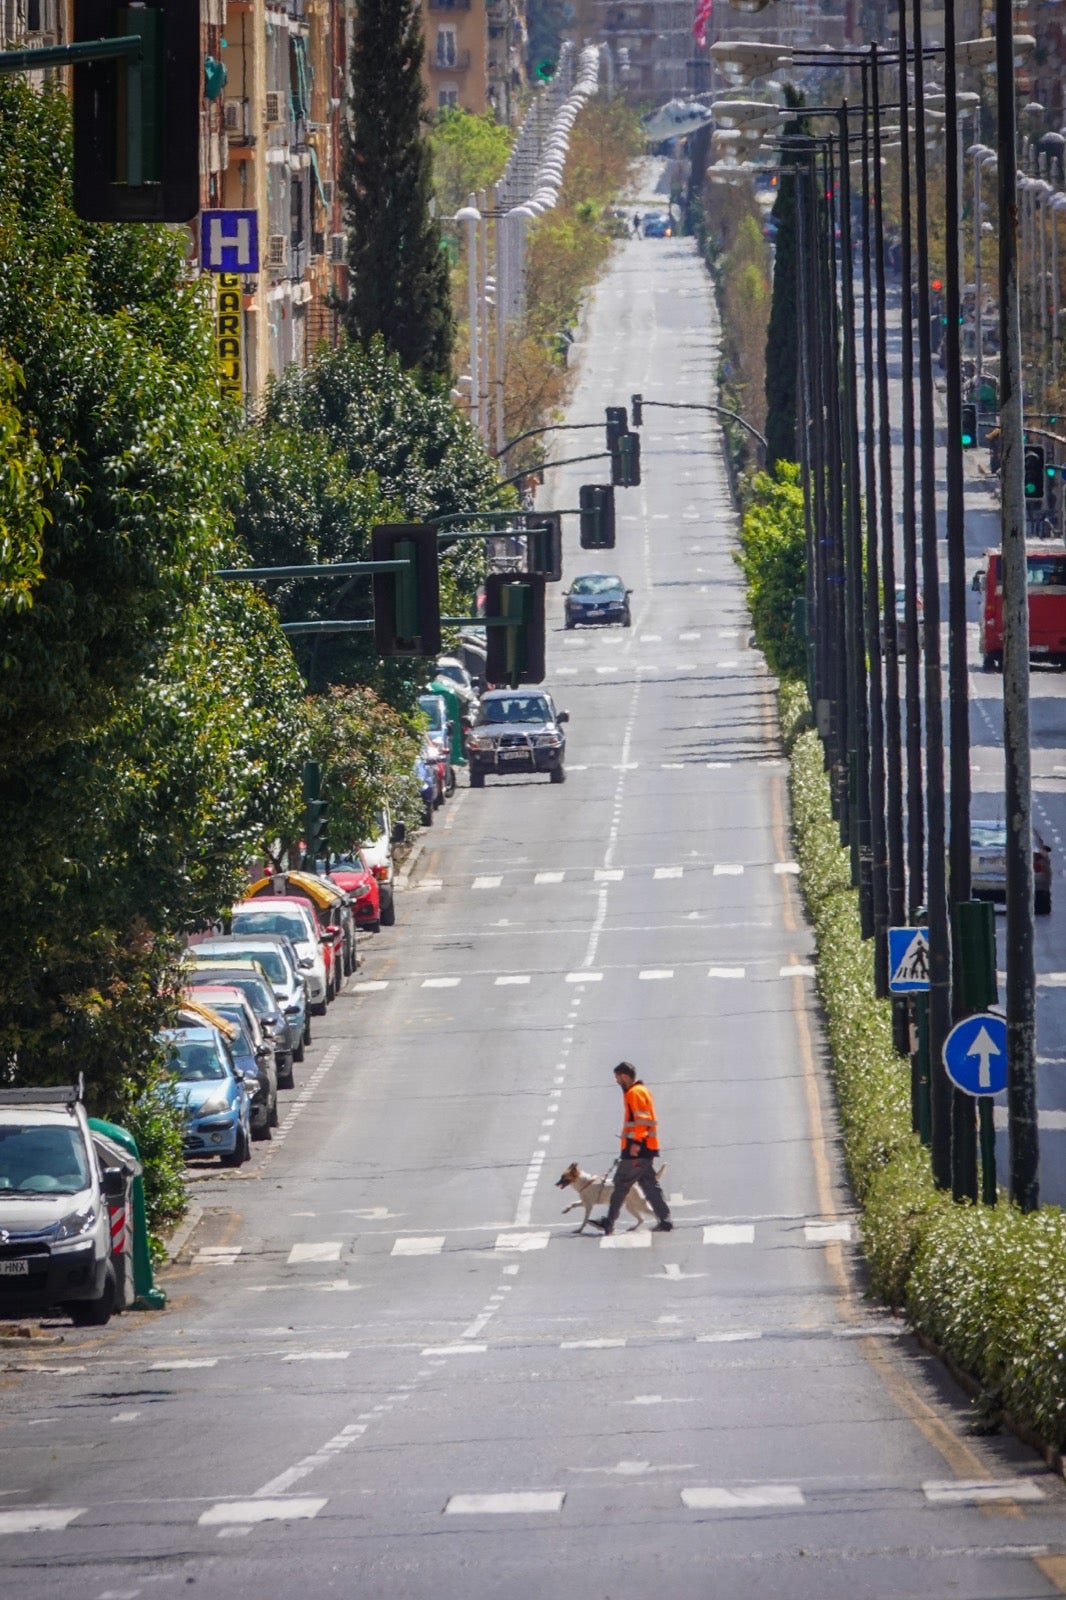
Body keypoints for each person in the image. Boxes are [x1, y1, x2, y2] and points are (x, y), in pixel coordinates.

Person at [590, 1062, 672, 1235]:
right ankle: (665, 1221)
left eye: (618, 1078)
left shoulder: (634, 1093)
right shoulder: (642, 1091)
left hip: (637, 1150)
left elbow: (642, 1119)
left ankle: (608, 1222)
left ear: (625, 1076)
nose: (617, 1081)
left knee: (620, 1185)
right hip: (646, 1148)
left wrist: (636, 1144)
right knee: (650, 1186)